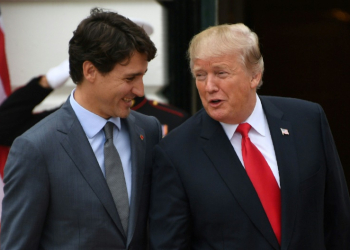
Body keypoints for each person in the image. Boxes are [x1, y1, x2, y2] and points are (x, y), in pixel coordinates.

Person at [149, 23, 350, 249]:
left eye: (221, 73)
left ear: (254, 76)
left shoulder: (307, 120)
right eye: (200, 75)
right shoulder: (176, 152)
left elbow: (337, 219)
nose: (209, 86)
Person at [1, 7, 161, 250]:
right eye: (129, 79)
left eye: (142, 76)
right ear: (90, 71)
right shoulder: (36, 148)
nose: (139, 91)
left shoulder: (148, 130)